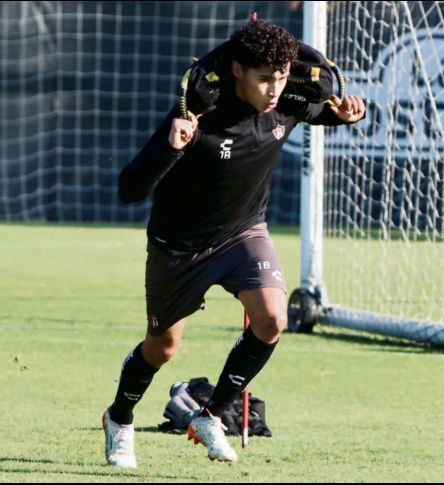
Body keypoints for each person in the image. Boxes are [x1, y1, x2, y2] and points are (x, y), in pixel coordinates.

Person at [103, 19, 365, 468]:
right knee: (162, 347)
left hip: (244, 232)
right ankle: (120, 418)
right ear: (237, 70)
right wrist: (170, 147)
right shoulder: (198, 113)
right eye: (264, 78)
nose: (275, 89)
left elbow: (321, 113)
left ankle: (211, 414)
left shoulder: (289, 102)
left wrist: (345, 117)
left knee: (272, 319)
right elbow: (130, 189)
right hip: (178, 246)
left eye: (282, 77)